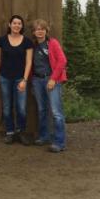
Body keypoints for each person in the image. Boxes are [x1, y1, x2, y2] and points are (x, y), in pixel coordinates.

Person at [0, 15, 33, 145]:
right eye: (14, 23)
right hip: (5, 77)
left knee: (21, 108)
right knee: (7, 107)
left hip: (20, 79)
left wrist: (25, 80)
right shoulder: (2, 41)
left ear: (22, 26)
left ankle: (21, 131)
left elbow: (29, 62)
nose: (17, 25)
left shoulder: (27, 42)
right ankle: (10, 132)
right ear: (10, 25)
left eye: (19, 24)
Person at [31, 19, 67, 153]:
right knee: (42, 110)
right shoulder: (32, 46)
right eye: (37, 29)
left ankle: (59, 142)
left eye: (42, 29)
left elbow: (62, 61)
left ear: (46, 31)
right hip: (37, 80)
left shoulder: (52, 43)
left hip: (52, 80)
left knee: (56, 112)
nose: (39, 31)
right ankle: (45, 136)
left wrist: (53, 79)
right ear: (33, 32)